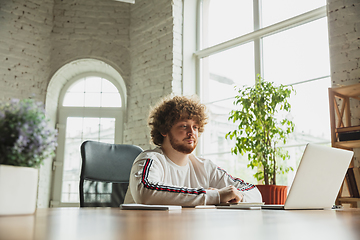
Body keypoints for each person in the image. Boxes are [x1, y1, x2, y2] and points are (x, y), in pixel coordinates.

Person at [124, 95, 262, 206]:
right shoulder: (149, 159)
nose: (192, 133)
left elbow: (254, 191)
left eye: (195, 127)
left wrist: (237, 195)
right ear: (164, 130)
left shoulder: (205, 166)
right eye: (184, 126)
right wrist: (216, 196)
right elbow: (146, 192)